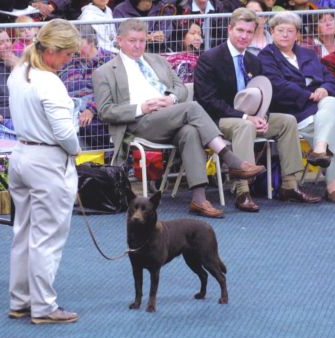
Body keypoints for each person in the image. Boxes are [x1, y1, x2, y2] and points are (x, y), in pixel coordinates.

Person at [93, 18, 265, 218]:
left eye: (142, 40)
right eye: (132, 41)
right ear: (119, 41)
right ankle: (231, 160)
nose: (138, 45)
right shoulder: (104, 73)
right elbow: (105, 111)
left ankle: (199, 199)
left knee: (190, 131)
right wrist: (141, 107)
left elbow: (181, 88)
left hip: (169, 117)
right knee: (192, 108)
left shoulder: (157, 60)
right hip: (139, 122)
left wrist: (171, 98)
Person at [194, 8, 320, 212]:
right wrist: (246, 116)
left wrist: (260, 116)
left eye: (249, 32)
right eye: (240, 30)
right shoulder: (210, 58)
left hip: (249, 117)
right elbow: (207, 101)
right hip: (217, 120)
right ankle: (242, 190)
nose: (244, 36)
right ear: (229, 29)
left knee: (287, 121)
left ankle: (290, 185)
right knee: (244, 126)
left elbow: (263, 94)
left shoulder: (253, 60)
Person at [7, 18, 81, 324]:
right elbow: (64, 133)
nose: (69, 60)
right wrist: (76, 150)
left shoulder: (19, 72)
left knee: (23, 233)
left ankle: (20, 300)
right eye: (66, 54)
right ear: (50, 49)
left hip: (21, 154)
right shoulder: (50, 81)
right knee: (47, 237)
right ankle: (44, 307)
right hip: (48, 161)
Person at [258, 11, 335, 203]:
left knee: (332, 102)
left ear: (297, 33)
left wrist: (324, 88)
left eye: (290, 30)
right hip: (292, 110)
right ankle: (332, 184)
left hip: (318, 107)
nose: (285, 34)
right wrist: (309, 95)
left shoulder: (308, 53)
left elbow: (330, 78)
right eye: (280, 30)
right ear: (272, 32)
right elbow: (278, 87)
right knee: (330, 122)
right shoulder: (266, 56)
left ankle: (321, 150)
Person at [59, 25, 114, 149]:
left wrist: (91, 109)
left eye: (77, 44)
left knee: (89, 127)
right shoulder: (68, 63)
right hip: (72, 112)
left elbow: (110, 90)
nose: (74, 49)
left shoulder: (109, 60)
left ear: (90, 41)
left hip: (100, 113)